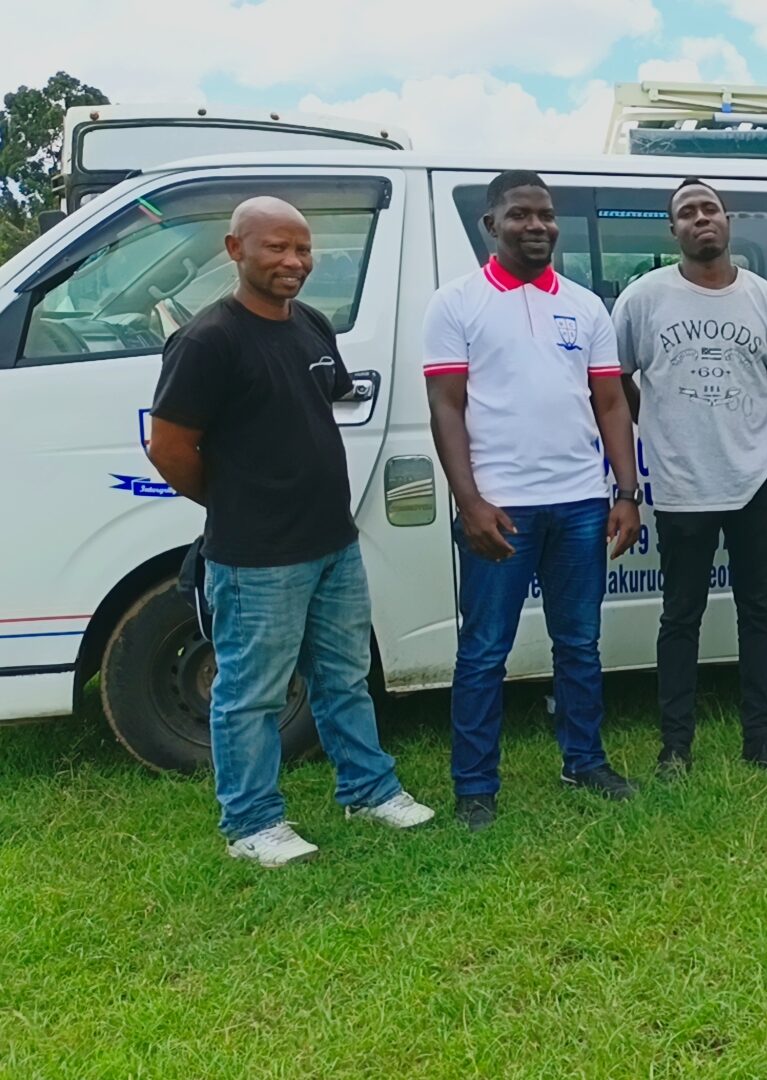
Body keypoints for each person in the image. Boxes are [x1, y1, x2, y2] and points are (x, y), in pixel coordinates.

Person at [147, 196, 434, 867]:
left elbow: (313, 408)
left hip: (332, 541)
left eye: (302, 248)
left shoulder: (309, 324)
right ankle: (252, 824)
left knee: (345, 677)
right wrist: (234, 501)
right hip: (257, 555)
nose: (294, 261)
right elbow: (169, 447)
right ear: (235, 250)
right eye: (276, 247)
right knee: (251, 693)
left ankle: (368, 790)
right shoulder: (208, 340)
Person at [422, 170, 642, 829]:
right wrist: (469, 501)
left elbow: (611, 403)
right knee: (484, 650)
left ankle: (584, 760)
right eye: (520, 214)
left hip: (579, 502)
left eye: (545, 214)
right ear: (491, 224)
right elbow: (446, 406)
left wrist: (626, 491)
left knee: (579, 642)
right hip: (501, 508)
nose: (537, 225)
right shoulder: (455, 303)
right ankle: (474, 786)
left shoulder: (585, 305)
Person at [613, 179, 767, 777]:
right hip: (681, 480)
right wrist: (658, 420)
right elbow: (614, 378)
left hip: (755, 478)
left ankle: (761, 740)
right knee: (680, 616)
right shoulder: (643, 299)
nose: (700, 219)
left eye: (709, 208)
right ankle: (675, 747)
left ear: (727, 219)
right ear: (674, 231)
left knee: (759, 612)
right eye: (687, 213)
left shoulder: (766, 300)